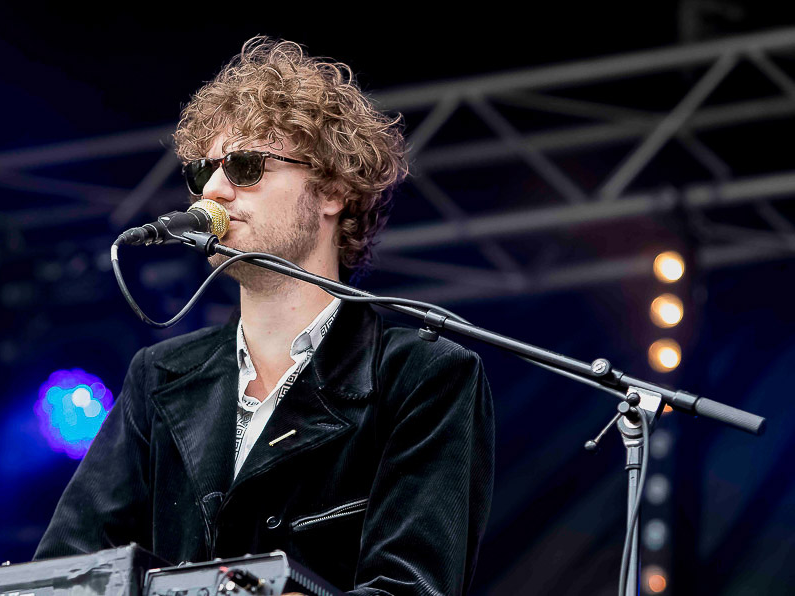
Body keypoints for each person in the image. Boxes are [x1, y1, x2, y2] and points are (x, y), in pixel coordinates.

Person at [34, 37, 495, 595]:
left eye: (245, 166)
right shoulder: (157, 376)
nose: (212, 190)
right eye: (201, 171)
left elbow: (409, 588)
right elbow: (62, 579)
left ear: (332, 191)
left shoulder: (425, 376)